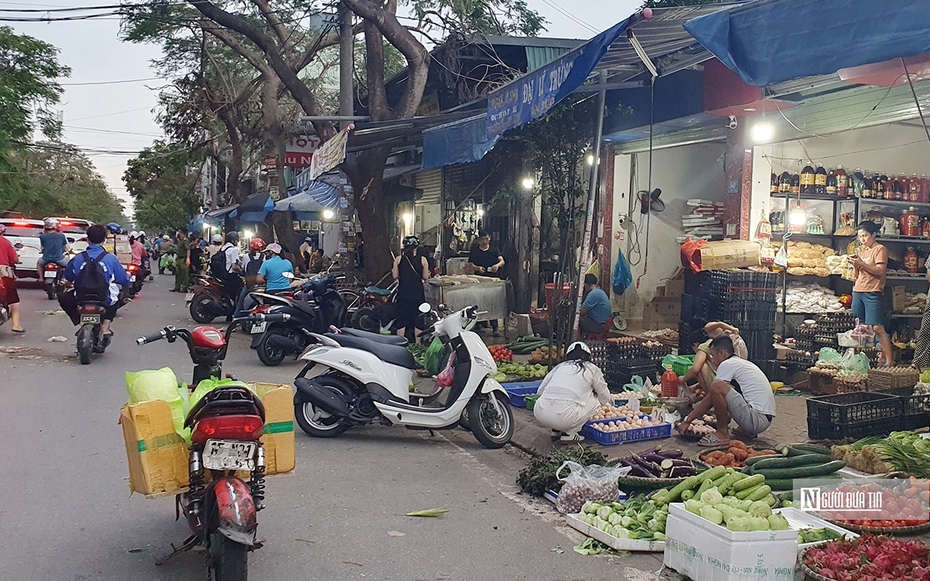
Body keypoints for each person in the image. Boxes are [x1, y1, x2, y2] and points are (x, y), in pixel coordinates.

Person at [676, 335, 776, 446]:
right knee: (721, 387)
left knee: (718, 386)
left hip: (756, 419)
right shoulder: (739, 363)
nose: (713, 361)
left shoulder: (727, 364)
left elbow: (714, 393)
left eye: (713, 356)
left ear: (722, 353)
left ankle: (722, 433)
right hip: (764, 420)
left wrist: (687, 420)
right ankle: (746, 431)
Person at [59, 224, 130, 339]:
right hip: (104, 298)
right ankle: (105, 327)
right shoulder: (111, 258)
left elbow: (68, 276)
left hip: (81, 297)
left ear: (87, 239)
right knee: (116, 299)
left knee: (63, 297)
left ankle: (80, 323)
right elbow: (122, 279)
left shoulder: (78, 258)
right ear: (104, 240)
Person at [533, 342, 611, 442]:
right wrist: (607, 404)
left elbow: (540, 391)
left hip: (540, 413)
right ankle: (570, 433)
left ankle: (556, 430)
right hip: (566, 417)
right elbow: (604, 396)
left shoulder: (560, 367)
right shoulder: (591, 368)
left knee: (565, 400)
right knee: (596, 400)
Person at [849, 220, 894, 367]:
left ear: (874, 234)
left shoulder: (880, 249)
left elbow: (880, 271)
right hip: (858, 290)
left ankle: (889, 361)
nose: (862, 239)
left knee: (877, 328)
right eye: (860, 236)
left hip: (872, 291)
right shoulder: (861, 251)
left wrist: (861, 263)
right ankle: (865, 360)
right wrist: (854, 265)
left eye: (865, 236)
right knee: (860, 327)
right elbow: (857, 274)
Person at [467, 230, 505, 336]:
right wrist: (478, 268)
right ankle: (479, 325)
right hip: (478, 280)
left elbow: (502, 261)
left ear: (490, 238)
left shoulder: (494, 250)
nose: (485, 241)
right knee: (478, 303)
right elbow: (470, 264)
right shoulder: (475, 251)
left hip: (492, 281)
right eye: (483, 239)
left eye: (487, 239)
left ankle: (495, 327)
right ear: (479, 240)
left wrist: (497, 266)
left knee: (493, 304)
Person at [392, 235, 429, 343]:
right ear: (417, 247)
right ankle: (418, 345)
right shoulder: (423, 260)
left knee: (402, 318)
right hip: (418, 294)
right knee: (418, 318)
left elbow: (395, 276)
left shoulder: (398, 259)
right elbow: (425, 277)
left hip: (403, 293)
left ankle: (400, 343)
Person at [0, 224, 25, 333]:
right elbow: (14, 258)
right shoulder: (5, 242)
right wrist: (17, 260)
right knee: (13, 298)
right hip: (3, 272)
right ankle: (16, 325)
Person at [236, 237, 266, 317]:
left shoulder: (246, 257)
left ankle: (236, 319)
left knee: (240, 302)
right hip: (261, 284)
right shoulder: (265, 257)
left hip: (249, 285)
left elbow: (244, 269)